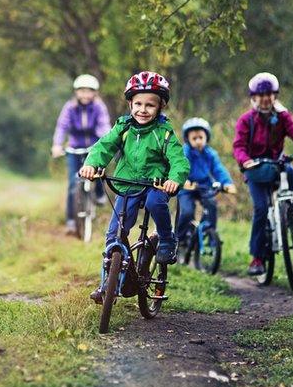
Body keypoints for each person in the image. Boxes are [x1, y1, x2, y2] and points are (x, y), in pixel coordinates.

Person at [78, 71, 189, 303]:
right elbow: (104, 146)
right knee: (114, 234)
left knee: (155, 202)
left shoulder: (164, 133)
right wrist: (91, 164)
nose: (143, 109)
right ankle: (106, 284)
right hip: (126, 185)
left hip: (155, 184)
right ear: (130, 103)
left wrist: (174, 180)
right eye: (138, 103)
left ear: (160, 107)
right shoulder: (123, 127)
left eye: (150, 105)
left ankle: (167, 239)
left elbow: (179, 160)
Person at [232, 72, 293, 276]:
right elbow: (238, 145)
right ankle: (257, 257)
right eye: (261, 95)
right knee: (261, 209)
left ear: (275, 96)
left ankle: (291, 212)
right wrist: (244, 159)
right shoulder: (246, 120)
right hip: (255, 169)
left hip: (277, 164)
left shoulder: (282, 116)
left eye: (270, 94)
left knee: (291, 173)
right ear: (253, 98)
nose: (265, 98)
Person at [51, 74, 112, 234]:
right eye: (81, 91)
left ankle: (99, 194)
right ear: (76, 92)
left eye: (89, 91)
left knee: (97, 172)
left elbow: (104, 125)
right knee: (73, 183)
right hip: (74, 148)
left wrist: (105, 141)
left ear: (95, 93)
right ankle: (71, 221)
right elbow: (61, 127)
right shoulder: (70, 107)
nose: (85, 95)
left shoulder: (99, 107)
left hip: (94, 148)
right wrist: (57, 145)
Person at [175, 117, 236, 246]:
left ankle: (210, 233)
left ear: (206, 138)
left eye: (200, 138)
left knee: (211, 206)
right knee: (187, 212)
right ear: (188, 139)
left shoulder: (210, 154)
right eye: (194, 138)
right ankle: (178, 240)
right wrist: (183, 181)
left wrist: (226, 183)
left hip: (204, 186)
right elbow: (179, 168)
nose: (198, 141)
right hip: (187, 187)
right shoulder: (185, 152)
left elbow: (219, 169)